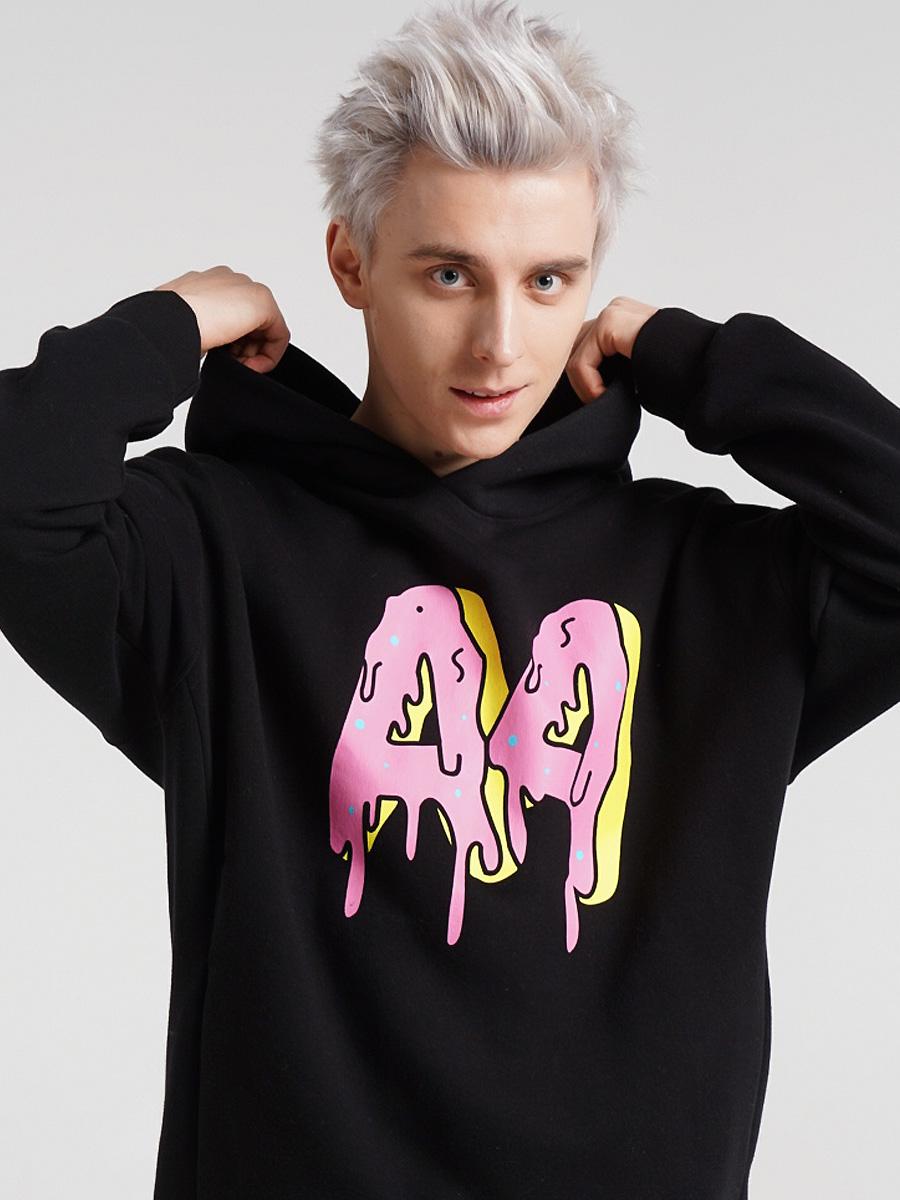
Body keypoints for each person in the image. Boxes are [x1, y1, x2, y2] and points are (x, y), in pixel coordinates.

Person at [1, 2, 898, 1196]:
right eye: (448, 274)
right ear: (350, 263)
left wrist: (696, 356)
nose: (499, 344)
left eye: (549, 280)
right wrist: (173, 324)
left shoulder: (707, 575)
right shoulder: (214, 552)